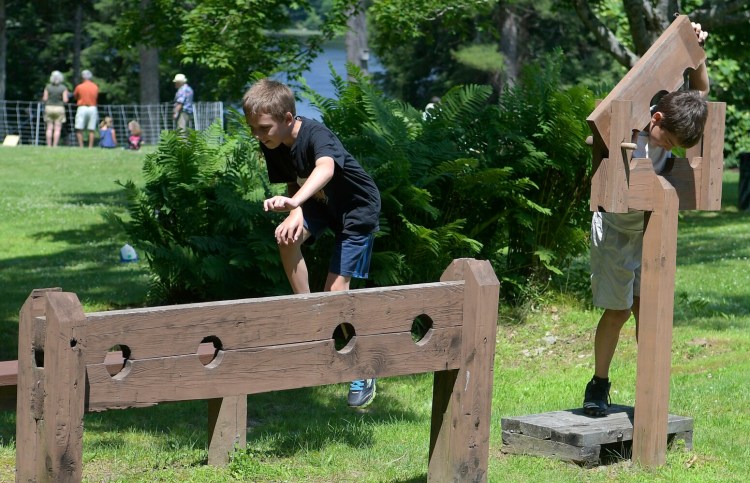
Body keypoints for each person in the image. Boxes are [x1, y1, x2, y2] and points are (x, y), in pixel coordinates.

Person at [583, 22, 710, 417]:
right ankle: (598, 384)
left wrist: (696, 52)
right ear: (654, 118)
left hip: (650, 225)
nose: (668, 149)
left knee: (648, 307)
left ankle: (648, 386)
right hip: (616, 226)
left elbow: (701, 92)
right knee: (618, 310)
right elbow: (601, 130)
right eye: (668, 142)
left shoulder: (672, 118)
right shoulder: (632, 125)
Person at [242, 78, 382, 409]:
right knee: (286, 238)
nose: (259, 136)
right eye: (253, 130)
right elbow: (295, 180)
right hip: (318, 203)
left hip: (356, 210)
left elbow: (325, 168)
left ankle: (363, 368)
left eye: (263, 129)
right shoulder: (274, 142)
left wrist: (294, 205)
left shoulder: (316, 135)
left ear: (288, 119)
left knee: (336, 291)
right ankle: (311, 319)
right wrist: (296, 212)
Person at [42, 70, 69, 147]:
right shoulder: (63, 88)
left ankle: (49, 145)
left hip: (49, 107)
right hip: (59, 108)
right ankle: (55, 145)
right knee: (57, 128)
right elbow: (65, 100)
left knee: (49, 128)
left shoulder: (48, 87)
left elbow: (44, 98)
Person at [73, 69, 99, 148]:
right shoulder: (95, 86)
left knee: (79, 128)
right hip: (92, 108)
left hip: (82, 107)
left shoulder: (79, 87)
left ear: (83, 77)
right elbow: (96, 96)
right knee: (92, 129)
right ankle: (90, 146)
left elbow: (75, 96)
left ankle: (81, 146)